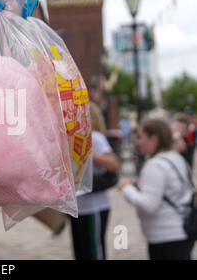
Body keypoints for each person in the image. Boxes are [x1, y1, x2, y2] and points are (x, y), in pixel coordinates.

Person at [118, 118, 195, 260]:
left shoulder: (155, 165)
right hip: (181, 232)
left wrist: (126, 187)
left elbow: (149, 205)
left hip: (165, 236)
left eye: (140, 137)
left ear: (153, 139)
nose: (137, 142)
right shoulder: (176, 157)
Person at [70, 102, 121, 260]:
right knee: (81, 252)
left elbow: (113, 164)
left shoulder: (95, 137)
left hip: (94, 206)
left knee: (94, 252)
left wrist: (86, 152)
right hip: (77, 207)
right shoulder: (72, 138)